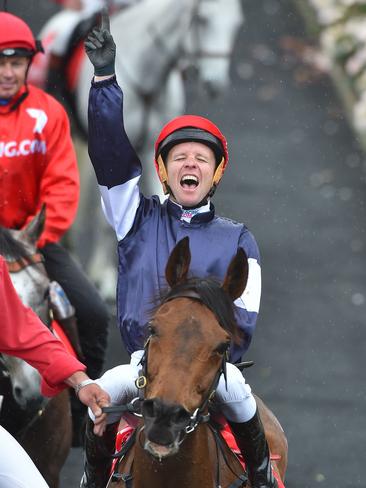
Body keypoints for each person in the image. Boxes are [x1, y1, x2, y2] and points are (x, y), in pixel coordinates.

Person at [81, 10, 277, 488]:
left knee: (246, 401)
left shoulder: (239, 238)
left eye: (202, 158)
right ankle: (92, 477)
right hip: (145, 362)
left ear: (216, 172)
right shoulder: (136, 216)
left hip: (211, 367)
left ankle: (262, 477)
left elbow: (243, 321)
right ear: (164, 171)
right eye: (179, 157)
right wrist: (105, 79)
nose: (191, 163)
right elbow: (108, 154)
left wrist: (206, 361)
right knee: (98, 400)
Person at [0, 11, 110, 446]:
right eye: (0, 62)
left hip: (33, 241)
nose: (8, 72)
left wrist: (34, 236)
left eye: (17, 62)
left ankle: (85, 424)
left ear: (29, 64)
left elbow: (63, 184)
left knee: (93, 313)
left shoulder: (49, 113)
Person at [0, 254, 110, 488]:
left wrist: (81, 381)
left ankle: (77, 417)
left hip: (30, 237)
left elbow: (19, 327)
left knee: (92, 313)